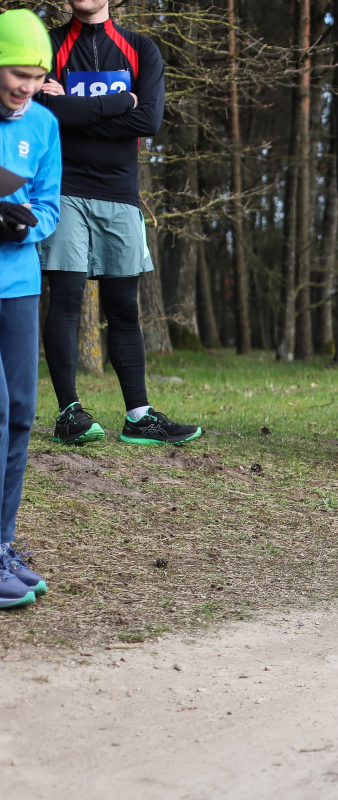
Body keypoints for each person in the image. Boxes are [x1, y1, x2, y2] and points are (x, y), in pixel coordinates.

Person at [34, 0, 200, 446]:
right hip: (63, 188)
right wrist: (118, 104)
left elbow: (149, 118)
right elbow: (43, 115)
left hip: (122, 196)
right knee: (65, 299)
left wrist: (72, 109)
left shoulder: (141, 49)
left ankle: (139, 417)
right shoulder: (48, 46)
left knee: (124, 308)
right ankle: (69, 413)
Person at [0, 9, 60, 607]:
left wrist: (22, 227)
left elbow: (49, 204)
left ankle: (2, 543)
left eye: (36, 77)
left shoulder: (43, 123)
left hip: (19, 283)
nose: (27, 86)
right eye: (18, 73)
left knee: (20, 413)